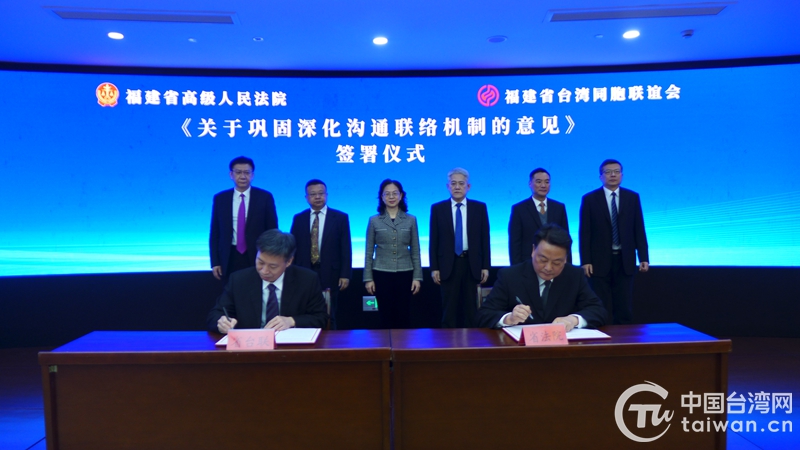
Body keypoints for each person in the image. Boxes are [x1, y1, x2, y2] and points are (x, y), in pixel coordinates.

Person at [476, 223, 606, 330]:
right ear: (533, 251)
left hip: (563, 349)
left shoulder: (574, 276)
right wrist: (508, 318)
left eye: (556, 262)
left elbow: (598, 311)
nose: (548, 268)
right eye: (543, 260)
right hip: (521, 349)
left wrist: (574, 319)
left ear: (566, 259)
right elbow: (484, 315)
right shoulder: (510, 276)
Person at [208, 229, 328, 333]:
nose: (264, 271)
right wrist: (221, 322)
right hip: (250, 346)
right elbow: (215, 314)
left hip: (289, 347)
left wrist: (292, 321)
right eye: (260, 262)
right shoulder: (239, 280)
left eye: (273, 266)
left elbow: (321, 318)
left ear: (289, 262)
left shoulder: (307, 280)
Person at [579, 159, 649, 325]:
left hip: (625, 260)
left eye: (616, 171)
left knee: (623, 307)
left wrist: (644, 257)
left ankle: (623, 338)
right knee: (600, 305)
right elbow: (585, 232)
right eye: (608, 172)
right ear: (600, 176)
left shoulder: (632, 197)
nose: (613, 175)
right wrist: (586, 260)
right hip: (599, 261)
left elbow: (639, 228)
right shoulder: (590, 199)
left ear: (622, 175)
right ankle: (599, 337)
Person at [429, 168, 490, 328]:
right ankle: (447, 342)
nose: (457, 187)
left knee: (471, 310)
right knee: (448, 310)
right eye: (453, 183)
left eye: (461, 183)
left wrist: (485, 266)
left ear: (468, 187)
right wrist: (434, 268)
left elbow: (485, 238)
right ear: (448, 186)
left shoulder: (479, 208)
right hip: (448, 265)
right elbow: (434, 240)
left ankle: (473, 341)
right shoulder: (438, 209)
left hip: (471, 263)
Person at [290, 179, 352, 329]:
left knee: (330, 312)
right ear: (306, 197)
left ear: (327, 195)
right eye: (313, 194)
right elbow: (292, 247)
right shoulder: (299, 218)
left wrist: (345, 274)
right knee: (305, 310)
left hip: (331, 272)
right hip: (304, 271)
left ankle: (331, 340)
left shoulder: (340, 218)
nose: (317, 197)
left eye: (321, 193)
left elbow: (345, 248)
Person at [363, 179, 422, 329]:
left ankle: (403, 344)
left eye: (395, 193)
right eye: (387, 194)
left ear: (401, 196)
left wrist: (417, 277)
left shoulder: (411, 220)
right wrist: (368, 278)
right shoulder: (374, 220)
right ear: (381, 197)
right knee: (385, 315)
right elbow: (368, 252)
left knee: (404, 315)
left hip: (405, 273)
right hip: (381, 273)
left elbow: (415, 251)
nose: (391, 197)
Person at [209, 156, 278, 281]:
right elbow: (215, 232)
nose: (243, 176)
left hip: (258, 255)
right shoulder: (221, 199)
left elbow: (272, 231)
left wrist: (271, 258)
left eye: (247, 172)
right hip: (229, 255)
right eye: (238, 172)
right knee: (231, 290)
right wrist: (215, 262)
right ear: (231, 175)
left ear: (252, 175)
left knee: (255, 290)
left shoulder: (264, 197)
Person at [508, 168, 570, 265]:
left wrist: (568, 265)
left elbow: (565, 239)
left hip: (555, 263)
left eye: (547, 182)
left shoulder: (559, 208)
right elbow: (515, 242)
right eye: (539, 182)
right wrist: (516, 268)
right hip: (528, 263)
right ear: (530, 184)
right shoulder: (519, 209)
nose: (543, 185)